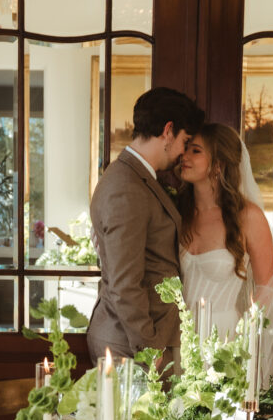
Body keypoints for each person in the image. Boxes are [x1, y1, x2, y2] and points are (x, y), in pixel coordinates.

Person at [86, 86, 205, 365]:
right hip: (128, 343)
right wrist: (149, 347)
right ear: (168, 131)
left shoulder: (133, 177)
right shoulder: (127, 187)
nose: (182, 152)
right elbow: (125, 283)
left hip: (136, 336)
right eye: (185, 141)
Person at [178, 122, 273, 384]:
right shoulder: (179, 213)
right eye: (186, 148)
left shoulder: (248, 216)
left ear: (218, 164)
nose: (184, 156)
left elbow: (267, 285)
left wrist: (244, 338)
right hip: (179, 338)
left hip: (226, 339)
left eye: (195, 151)